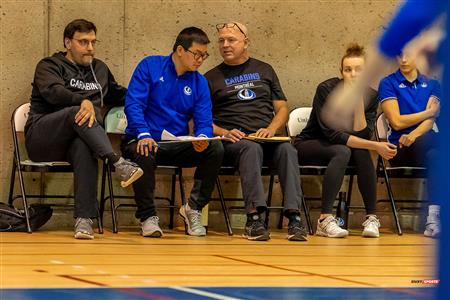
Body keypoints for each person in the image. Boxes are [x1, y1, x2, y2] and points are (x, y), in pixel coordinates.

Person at [25, 19, 143, 240]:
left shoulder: (99, 69)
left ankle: (84, 221)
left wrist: (153, 102)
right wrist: (83, 101)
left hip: (74, 141)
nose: (90, 47)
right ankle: (117, 162)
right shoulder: (49, 66)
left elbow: (120, 94)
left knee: (85, 147)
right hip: (43, 138)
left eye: (92, 42)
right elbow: (54, 93)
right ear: (68, 43)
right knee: (75, 112)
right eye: (83, 42)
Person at [204, 22, 307, 242]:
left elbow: (282, 109)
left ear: (246, 43)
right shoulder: (210, 78)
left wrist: (271, 129)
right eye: (221, 40)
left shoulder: (265, 69)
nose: (225, 45)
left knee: (288, 150)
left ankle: (295, 218)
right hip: (234, 141)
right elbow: (200, 119)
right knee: (250, 149)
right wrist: (224, 132)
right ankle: (254, 219)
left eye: (231, 40)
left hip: (266, 137)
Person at [122, 27, 224, 238]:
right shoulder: (150, 66)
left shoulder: (200, 82)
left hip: (176, 143)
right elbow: (133, 104)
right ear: (180, 50)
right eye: (197, 54)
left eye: (204, 55)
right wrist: (143, 133)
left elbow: (204, 120)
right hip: (142, 138)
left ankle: (193, 208)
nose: (200, 60)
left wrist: (203, 138)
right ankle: (148, 216)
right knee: (144, 150)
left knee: (215, 148)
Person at [294, 44, 397, 238]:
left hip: (344, 148)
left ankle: (371, 218)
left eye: (359, 70)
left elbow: (362, 135)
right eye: (348, 70)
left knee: (358, 150)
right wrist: (376, 145)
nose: (353, 74)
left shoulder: (371, 95)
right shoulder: (326, 89)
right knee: (344, 150)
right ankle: (324, 220)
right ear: (341, 72)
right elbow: (332, 134)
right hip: (311, 143)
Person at [378, 50, 441, 237]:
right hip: (399, 149)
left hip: (424, 144)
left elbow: (430, 122)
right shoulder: (388, 82)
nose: (404, 59)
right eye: (399, 55)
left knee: (437, 157)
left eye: (409, 54)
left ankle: (432, 220)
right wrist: (428, 113)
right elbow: (397, 122)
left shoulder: (432, 83)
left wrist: (413, 134)